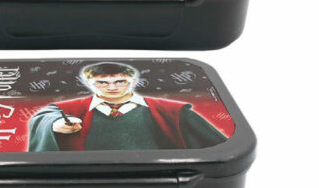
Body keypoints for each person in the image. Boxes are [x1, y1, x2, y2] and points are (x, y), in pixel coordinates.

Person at [29, 62, 227, 151]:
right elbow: (44, 116)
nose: (112, 87)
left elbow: (219, 148)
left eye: (120, 81)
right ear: (89, 83)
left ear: (133, 81)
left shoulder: (171, 111)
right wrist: (55, 124)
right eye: (102, 82)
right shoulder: (69, 110)